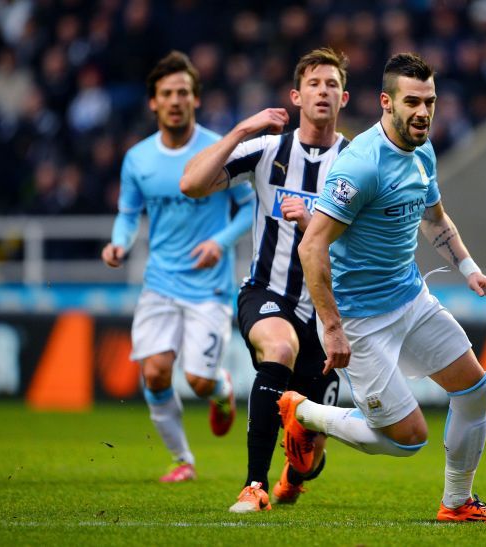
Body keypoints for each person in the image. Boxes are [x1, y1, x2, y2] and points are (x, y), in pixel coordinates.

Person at [287, 52, 486, 524]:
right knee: (405, 439)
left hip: (411, 299)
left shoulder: (423, 149)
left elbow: (434, 218)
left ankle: (457, 504)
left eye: (429, 101)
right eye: (412, 101)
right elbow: (312, 247)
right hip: (362, 321)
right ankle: (303, 413)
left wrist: (470, 268)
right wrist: (332, 328)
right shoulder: (361, 166)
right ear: (385, 103)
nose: (423, 112)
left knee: (476, 388)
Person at [179, 47, 350, 513]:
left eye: (332, 84)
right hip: (266, 293)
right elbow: (191, 184)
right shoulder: (267, 150)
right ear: (296, 95)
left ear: (345, 98)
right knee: (278, 350)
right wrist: (241, 129)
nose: (323, 91)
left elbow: (370, 238)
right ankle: (254, 486)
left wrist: (314, 219)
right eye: (314, 83)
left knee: (312, 455)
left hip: (326, 314)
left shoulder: (357, 162)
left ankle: (294, 475)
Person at [102, 51, 254, 483]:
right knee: (153, 372)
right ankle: (182, 459)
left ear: (196, 99)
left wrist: (219, 242)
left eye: (183, 93)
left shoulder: (217, 149)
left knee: (199, 382)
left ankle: (221, 390)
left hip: (208, 286)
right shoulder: (138, 159)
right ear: (153, 102)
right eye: (166, 93)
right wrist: (118, 244)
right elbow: (129, 214)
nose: (175, 100)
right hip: (160, 282)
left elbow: (248, 207)